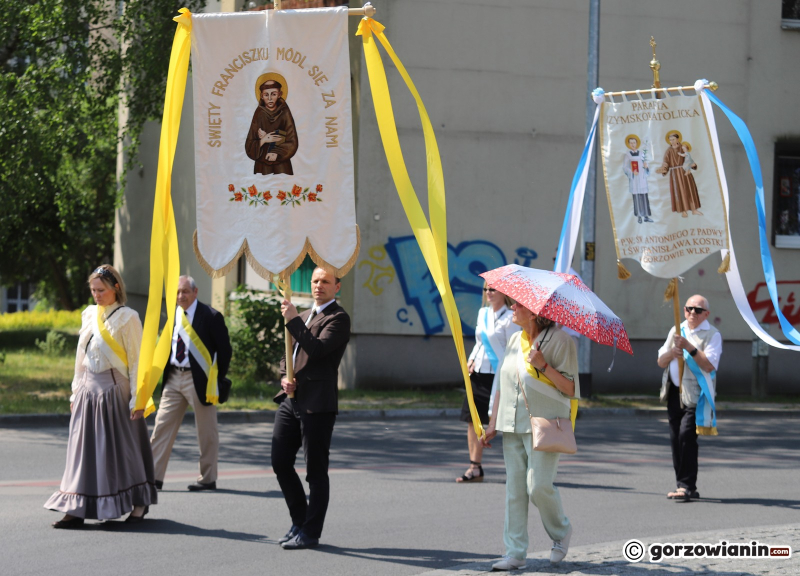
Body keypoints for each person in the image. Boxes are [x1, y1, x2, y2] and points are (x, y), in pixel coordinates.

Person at [45, 265, 157, 527]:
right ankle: (77, 507)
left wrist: (137, 399)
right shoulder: (88, 314)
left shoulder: (128, 317)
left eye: (101, 290)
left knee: (123, 450)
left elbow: (137, 361)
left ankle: (138, 503)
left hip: (115, 390)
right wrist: (76, 390)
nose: (96, 295)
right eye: (93, 290)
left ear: (116, 288)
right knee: (82, 451)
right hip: (88, 388)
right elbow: (80, 357)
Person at [483, 300, 579, 570]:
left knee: (537, 486)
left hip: (545, 424)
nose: (512, 307)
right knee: (514, 491)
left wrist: (543, 366)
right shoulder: (515, 339)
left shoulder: (561, 341)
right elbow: (503, 382)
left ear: (535, 312)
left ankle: (561, 531)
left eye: (517, 305)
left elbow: (571, 389)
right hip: (511, 423)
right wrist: (493, 423)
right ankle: (515, 553)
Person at [272, 267, 351, 550]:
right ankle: (299, 519)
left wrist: (293, 321)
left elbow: (316, 350)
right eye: (315, 280)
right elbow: (287, 354)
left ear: (336, 287)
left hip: (317, 404)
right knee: (280, 462)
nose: (319, 285)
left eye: (326, 282)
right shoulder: (304, 317)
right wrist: (284, 376)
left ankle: (310, 532)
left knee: (315, 472)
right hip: (291, 400)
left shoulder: (338, 318)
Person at [149, 275, 232, 492]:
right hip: (174, 378)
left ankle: (207, 478)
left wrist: (216, 378)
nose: (180, 296)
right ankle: (152, 478)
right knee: (161, 427)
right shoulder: (173, 313)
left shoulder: (211, 316)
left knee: (206, 432)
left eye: (185, 291)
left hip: (201, 381)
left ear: (195, 292)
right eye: (177, 292)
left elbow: (225, 351)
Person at [657, 294, 722, 503]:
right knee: (676, 438)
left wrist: (689, 348)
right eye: (688, 309)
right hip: (675, 392)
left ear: (706, 314)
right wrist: (672, 353)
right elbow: (660, 360)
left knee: (686, 435)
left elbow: (709, 365)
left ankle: (686, 485)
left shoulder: (712, 334)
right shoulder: (677, 330)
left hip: (697, 395)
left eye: (697, 310)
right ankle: (684, 485)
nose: (692, 313)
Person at [457, 283, 518, 483]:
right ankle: (475, 467)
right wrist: (472, 358)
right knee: (472, 420)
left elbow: (513, 348)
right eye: (486, 289)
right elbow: (480, 341)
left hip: (498, 375)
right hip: (478, 373)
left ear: (504, 292)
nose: (488, 293)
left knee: (504, 422)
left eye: (492, 289)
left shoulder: (511, 317)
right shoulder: (482, 313)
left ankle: (518, 469)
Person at [245, 79, 299, 175]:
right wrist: (263, 140)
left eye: (273, 94)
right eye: (266, 95)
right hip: (262, 165)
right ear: (261, 96)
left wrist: (276, 152)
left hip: (282, 165)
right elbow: (249, 145)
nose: (270, 98)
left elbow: (292, 141)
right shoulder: (259, 114)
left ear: (279, 94)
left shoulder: (285, 112)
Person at [656, 131, 703, 218]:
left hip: (685, 171)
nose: (672, 141)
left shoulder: (683, 148)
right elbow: (666, 162)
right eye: (670, 140)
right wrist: (663, 169)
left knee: (690, 190)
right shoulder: (669, 151)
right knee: (679, 191)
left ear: (677, 139)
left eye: (673, 139)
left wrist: (693, 165)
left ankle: (694, 209)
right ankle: (683, 210)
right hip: (675, 174)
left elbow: (689, 158)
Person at [622, 134, 654, 224]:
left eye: (634, 142)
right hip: (635, 178)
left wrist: (646, 166)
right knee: (636, 197)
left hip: (642, 178)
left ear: (637, 143)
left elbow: (645, 163)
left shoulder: (641, 153)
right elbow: (625, 167)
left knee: (644, 197)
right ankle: (639, 216)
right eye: (631, 143)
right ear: (628, 144)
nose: (632, 144)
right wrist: (632, 172)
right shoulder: (627, 155)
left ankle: (646, 216)